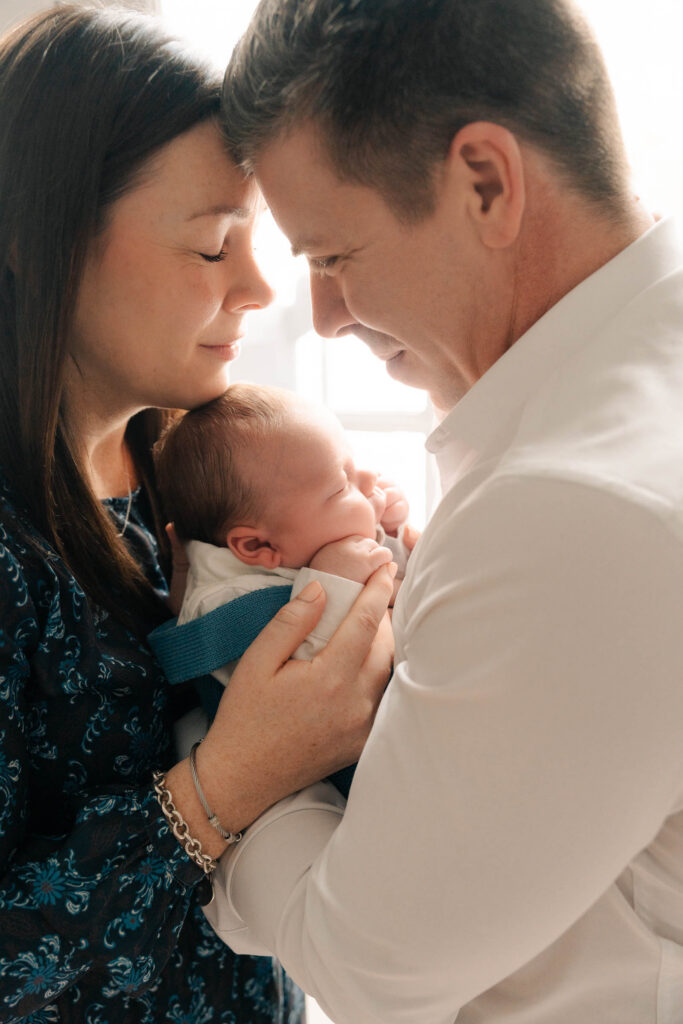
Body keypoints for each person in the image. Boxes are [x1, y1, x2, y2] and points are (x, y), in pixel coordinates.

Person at [201, 1, 683, 1022]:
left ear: (484, 182)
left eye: (331, 258)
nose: (325, 319)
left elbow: (366, 967)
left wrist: (239, 776)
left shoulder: (567, 509)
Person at [0, 5, 394, 1021]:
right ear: (38, 239)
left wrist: (354, 548)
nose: (263, 288)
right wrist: (224, 784)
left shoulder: (192, 460)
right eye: (216, 246)